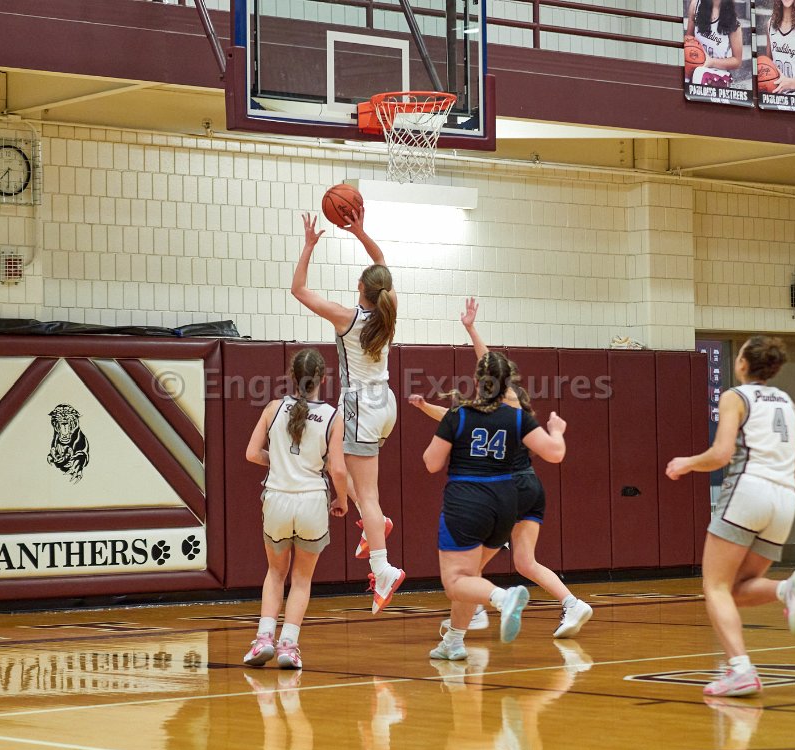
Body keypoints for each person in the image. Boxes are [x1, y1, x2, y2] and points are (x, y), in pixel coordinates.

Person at [411, 298, 592, 639]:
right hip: (530, 486)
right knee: (523, 562)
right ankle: (571, 603)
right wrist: (426, 407)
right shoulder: (509, 408)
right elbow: (459, 414)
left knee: (467, 570)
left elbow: (475, 385)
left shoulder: (504, 402)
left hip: (510, 486)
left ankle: (478, 609)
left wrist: (471, 330)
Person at [666, 336, 795, 697]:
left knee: (715, 587)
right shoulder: (785, 400)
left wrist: (687, 463)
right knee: (736, 589)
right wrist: (784, 483)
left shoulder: (735, 397)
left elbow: (721, 454)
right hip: (784, 500)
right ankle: (786, 590)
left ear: (742, 364)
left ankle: (740, 670)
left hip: (748, 491)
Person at [291, 210, 404, 613]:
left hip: (360, 405)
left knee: (367, 493)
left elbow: (298, 290)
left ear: (360, 288)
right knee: (331, 458)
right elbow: (381, 262)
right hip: (384, 402)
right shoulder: (389, 309)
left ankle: (383, 567)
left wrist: (309, 246)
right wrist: (360, 232)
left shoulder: (348, 318)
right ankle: (375, 524)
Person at [422, 351, 569, 661]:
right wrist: (557, 431)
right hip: (504, 505)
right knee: (470, 574)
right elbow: (555, 453)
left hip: (467, 502)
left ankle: (503, 598)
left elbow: (431, 463)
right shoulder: (517, 418)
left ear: (476, 382)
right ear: (507, 386)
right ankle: (454, 641)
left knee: (455, 582)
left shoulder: (458, 415)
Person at [243, 348, 348, 669]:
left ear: (291, 377)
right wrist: (342, 500)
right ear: (323, 379)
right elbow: (338, 469)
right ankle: (288, 646)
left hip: (276, 498)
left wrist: (278, 462)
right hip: (312, 501)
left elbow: (251, 454)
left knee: (275, 573)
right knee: (301, 580)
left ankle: (263, 639)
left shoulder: (273, 408)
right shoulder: (333, 416)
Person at [685, 0, 744, 86]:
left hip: (718, 72)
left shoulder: (733, 21)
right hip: (695, 65)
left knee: (699, 73)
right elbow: (688, 40)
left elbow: (737, 61)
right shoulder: (695, 5)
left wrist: (711, 62)